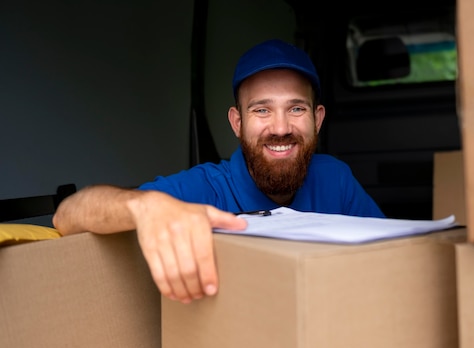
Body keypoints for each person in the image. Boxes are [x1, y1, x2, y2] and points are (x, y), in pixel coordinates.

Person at [53, 39, 385, 304]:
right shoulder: (205, 190)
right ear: (237, 123)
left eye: (296, 108)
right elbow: (67, 215)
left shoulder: (336, 179)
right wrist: (145, 207)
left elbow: (388, 261)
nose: (281, 127)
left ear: (319, 119)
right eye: (262, 110)